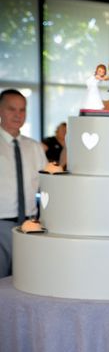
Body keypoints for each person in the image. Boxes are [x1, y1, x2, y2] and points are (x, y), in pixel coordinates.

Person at [0, 89, 48, 278]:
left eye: (22, 110)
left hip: (29, 225)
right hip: (1, 223)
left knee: (26, 281)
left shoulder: (34, 147)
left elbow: (46, 184)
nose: (18, 115)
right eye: (11, 109)